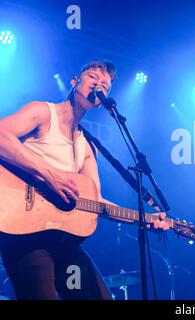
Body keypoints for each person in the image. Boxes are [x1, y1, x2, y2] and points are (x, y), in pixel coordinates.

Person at [0, 60, 169, 300]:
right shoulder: (42, 112)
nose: (99, 86)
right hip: (24, 235)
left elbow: (96, 200)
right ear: (74, 81)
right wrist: (49, 175)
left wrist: (145, 219)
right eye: (93, 78)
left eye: (105, 86)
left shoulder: (89, 146)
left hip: (63, 241)